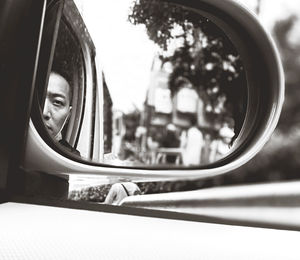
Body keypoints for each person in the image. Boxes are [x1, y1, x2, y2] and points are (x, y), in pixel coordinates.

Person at [43, 71, 80, 156]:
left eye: (57, 102)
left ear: (68, 115)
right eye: (40, 97)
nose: (44, 112)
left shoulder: (71, 158)